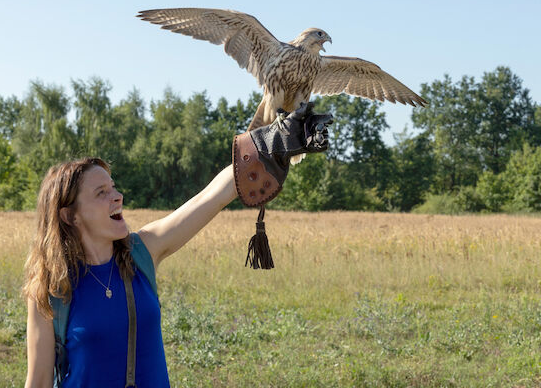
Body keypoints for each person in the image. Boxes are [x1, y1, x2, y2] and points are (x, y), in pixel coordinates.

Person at [22, 103, 331, 387]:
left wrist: (265, 147)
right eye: (101, 193)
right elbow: (37, 382)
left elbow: (210, 197)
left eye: (114, 187)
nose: (117, 197)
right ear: (70, 215)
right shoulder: (51, 290)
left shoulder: (142, 252)